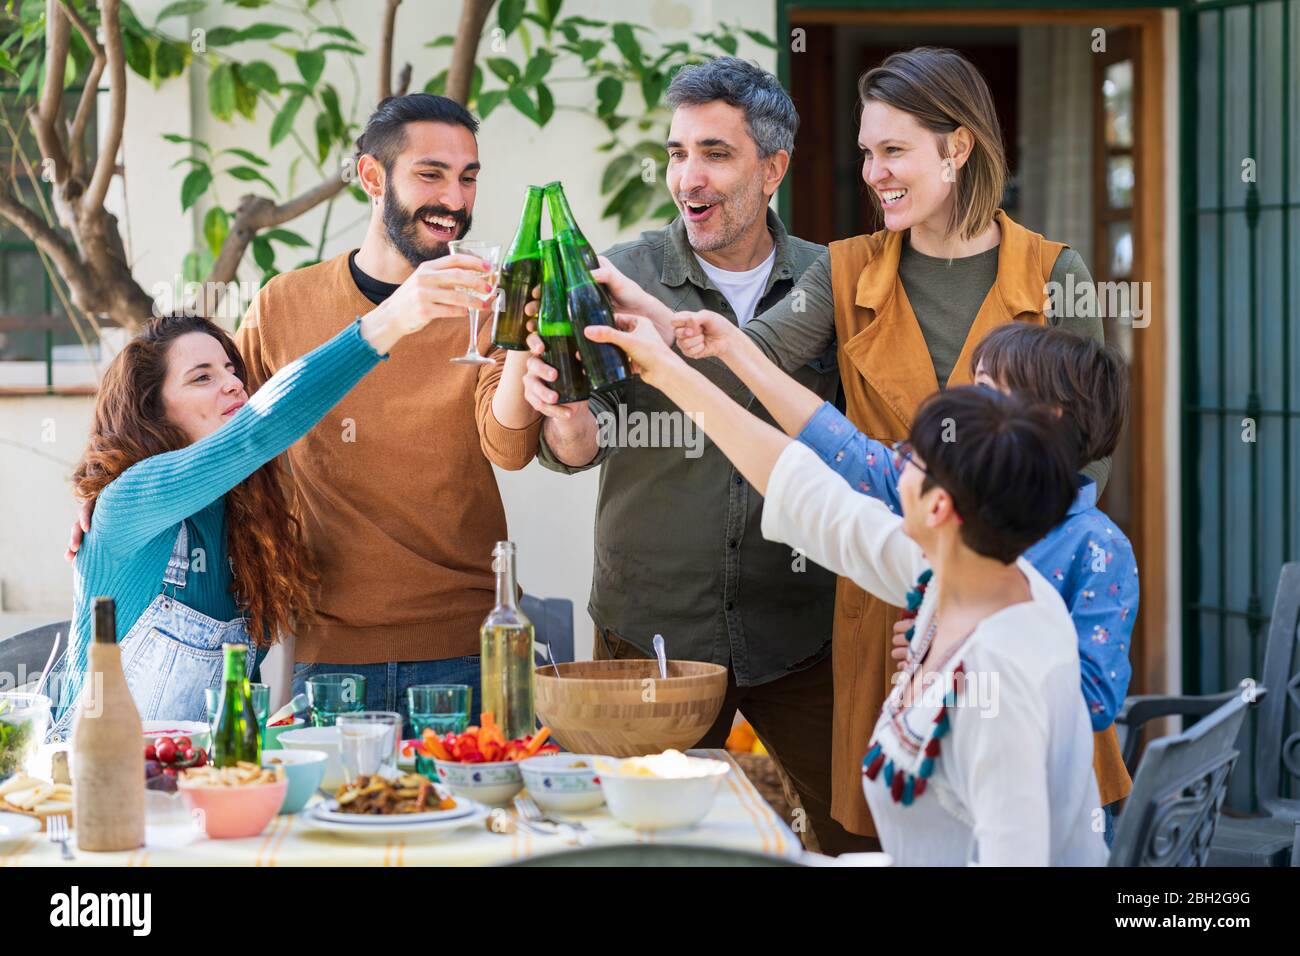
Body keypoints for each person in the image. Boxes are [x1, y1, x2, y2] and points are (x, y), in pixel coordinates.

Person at [584, 47, 1110, 839]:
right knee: (882, 827)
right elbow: (746, 365)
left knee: (1003, 809)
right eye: (867, 152)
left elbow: (1086, 466)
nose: (872, 172)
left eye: (892, 150)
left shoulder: (1053, 274)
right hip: (879, 593)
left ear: (957, 146)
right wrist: (640, 311)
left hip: (1002, 601)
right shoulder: (846, 270)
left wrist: (962, 604)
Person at [66, 94, 540, 733]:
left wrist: (521, 343)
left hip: (458, 649)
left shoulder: (236, 533)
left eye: (468, 177)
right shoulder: (283, 308)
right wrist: (394, 318)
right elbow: (260, 429)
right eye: (431, 173)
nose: (454, 198)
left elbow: (241, 442)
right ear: (372, 177)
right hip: (113, 768)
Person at [578, 314, 1108, 865]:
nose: (893, 462)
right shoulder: (951, 572)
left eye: (911, 457)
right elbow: (810, 493)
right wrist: (669, 369)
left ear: (939, 506)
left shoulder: (1001, 675)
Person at [520, 57, 872, 854]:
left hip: (804, 631)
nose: (689, 176)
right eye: (678, 153)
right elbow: (578, 445)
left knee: (855, 836)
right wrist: (563, 408)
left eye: (715, 152)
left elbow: (854, 442)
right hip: (650, 630)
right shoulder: (625, 273)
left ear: (772, 167)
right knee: (630, 848)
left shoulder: (830, 282)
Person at [44, 291, 476, 735]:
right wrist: (393, 318)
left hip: (201, 785)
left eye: (231, 370)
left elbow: (235, 720)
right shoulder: (127, 502)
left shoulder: (247, 525)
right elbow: (262, 429)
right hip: (92, 781)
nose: (233, 383)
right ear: (152, 410)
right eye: (202, 378)